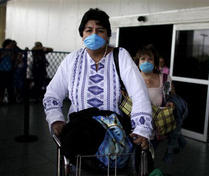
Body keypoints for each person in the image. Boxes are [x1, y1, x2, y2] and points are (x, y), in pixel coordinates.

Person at [43, 8, 152, 150]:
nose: (94, 34)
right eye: (89, 30)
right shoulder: (72, 59)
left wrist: (142, 128)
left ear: (107, 35)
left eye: (100, 30)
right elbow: (52, 93)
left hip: (114, 138)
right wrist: (56, 119)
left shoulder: (120, 56)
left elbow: (139, 93)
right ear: (82, 35)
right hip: (78, 136)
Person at [134, 44, 187, 162]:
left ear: (155, 62)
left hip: (157, 125)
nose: (146, 62)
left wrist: (170, 103)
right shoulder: (132, 78)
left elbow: (170, 95)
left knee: (150, 157)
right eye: (143, 59)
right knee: (136, 158)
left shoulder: (164, 78)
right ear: (137, 61)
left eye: (150, 59)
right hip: (137, 126)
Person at [0, 39, 15, 104]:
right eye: (10, 44)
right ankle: (1, 100)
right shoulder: (1, 50)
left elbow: (12, 59)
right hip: (2, 70)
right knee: (2, 86)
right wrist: (3, 55)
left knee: (10, 86)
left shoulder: (12, 51)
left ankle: (11, 100)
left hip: (9, 70)